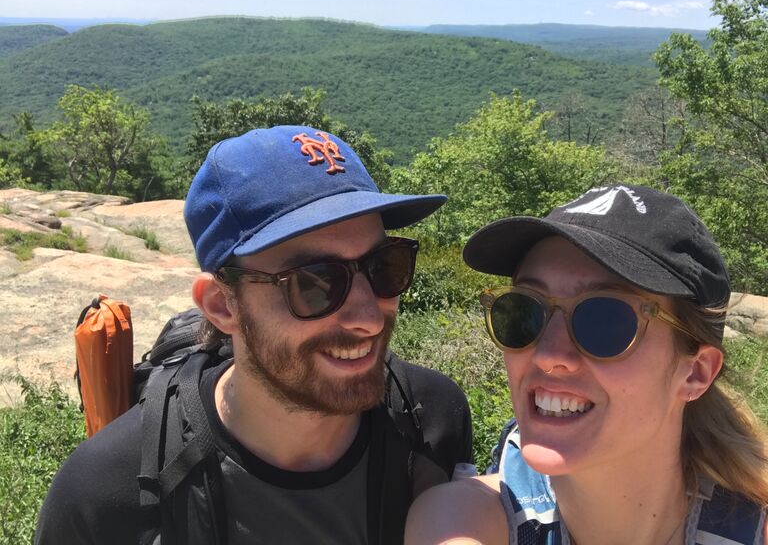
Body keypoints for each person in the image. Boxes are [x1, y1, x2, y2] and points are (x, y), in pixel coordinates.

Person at [35, 125, 474, 545]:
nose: (370, 319)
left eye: (384, 266)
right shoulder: (103, 496)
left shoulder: (432, 419)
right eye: (315, 283)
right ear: (222, 306)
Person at [405, 184, 768, 545]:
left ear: (696, 372)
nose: (548, 355)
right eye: (524, 312)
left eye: (605, 321)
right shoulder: (462, 523)